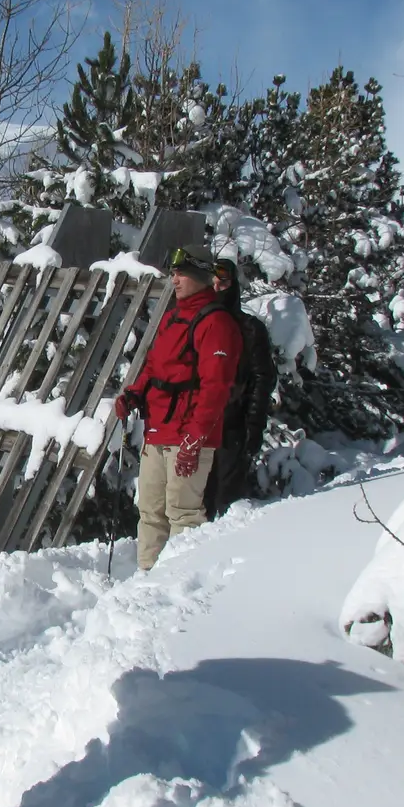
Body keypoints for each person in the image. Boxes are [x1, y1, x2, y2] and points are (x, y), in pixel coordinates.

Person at [113, 244, 242, 571]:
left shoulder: (217, 323)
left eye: (181, 272)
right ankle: (147, 578)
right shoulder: (173, 317)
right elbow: (154, 367)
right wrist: (133, 394)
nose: (174, 278)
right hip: (157, 431)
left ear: (200, 275)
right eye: (173, 272)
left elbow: (216, 387)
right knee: (150, 512)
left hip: (187, 437)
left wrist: (195, 439)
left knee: (183, 514)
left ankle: (179, 584)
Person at [204, 258, 276, 519]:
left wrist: (254, 425)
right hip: (197, 427)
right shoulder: (199, 324)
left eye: (222, 282)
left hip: (232, 427)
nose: (217, 288)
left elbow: (262, 378)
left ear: (233, 285)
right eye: (211, 282)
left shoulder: (250, 328)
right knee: (194, 505)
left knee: (226, 503)